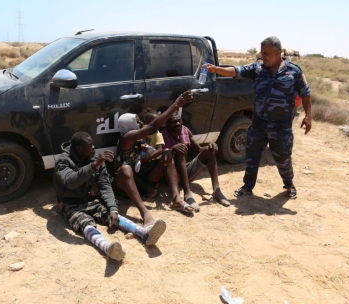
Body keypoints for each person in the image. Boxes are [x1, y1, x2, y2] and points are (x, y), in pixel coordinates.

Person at [207, 36, 312, 199]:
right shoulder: (258, 68)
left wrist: (308, 116)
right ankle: (247, 186)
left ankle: (289, 184)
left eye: (266, 53)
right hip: (259, 122)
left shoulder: (294, 71)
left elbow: (305, 93)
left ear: (277, 53)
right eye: (262, 53)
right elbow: (236, 71)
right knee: (252, 155)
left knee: (283, 156)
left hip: (281, 125)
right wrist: (216, 69)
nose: (263, 57)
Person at [53, 131, 167, 262]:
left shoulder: (93, 158)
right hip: (69, 202)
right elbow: (70, 182)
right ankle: (108, 248)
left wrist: (113, 209)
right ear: (79, 148)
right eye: (90, 145)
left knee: (110, 215)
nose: (94, 147)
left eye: (93, 144)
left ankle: (145, 233)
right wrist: (94, 165)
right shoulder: (64, 160)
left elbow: (104, 185)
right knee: (84, 222)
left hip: (89, 198)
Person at [114, 91, 195, 221]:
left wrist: (165, 151)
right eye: (137, 121)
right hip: (125, 187)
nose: (140, 123)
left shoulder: (135, 138)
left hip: (141, 178)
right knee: (125, 169)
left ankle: (176, 198)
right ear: (129, 125)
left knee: (167, 155)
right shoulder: (126, 138)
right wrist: (175, 104)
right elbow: (153, 126)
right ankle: (145, 213)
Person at [161, 112, 231, 212]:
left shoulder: (185, 130)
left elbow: (199, 149)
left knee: (208, 151)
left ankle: (216, 190)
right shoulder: (163, 134)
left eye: (179, 121)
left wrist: (211, 146)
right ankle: (187, 193)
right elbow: (160, 158)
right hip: (171, 176)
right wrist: (172, 149)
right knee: (180, 152)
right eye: (173, 122)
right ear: (167, 124)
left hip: (185, 171)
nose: (178, 124)